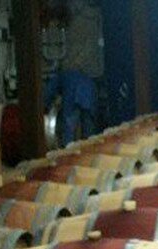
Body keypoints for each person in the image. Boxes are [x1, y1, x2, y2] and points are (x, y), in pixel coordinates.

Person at [43, 0, 99, 146]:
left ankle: (68, 155)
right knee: (89, 134)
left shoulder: (62, 73)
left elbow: (47, 93)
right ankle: (89, 155)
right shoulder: (84, 70)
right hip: (89, 94)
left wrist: (43, 107)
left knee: (68, 130)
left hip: (73, 98)